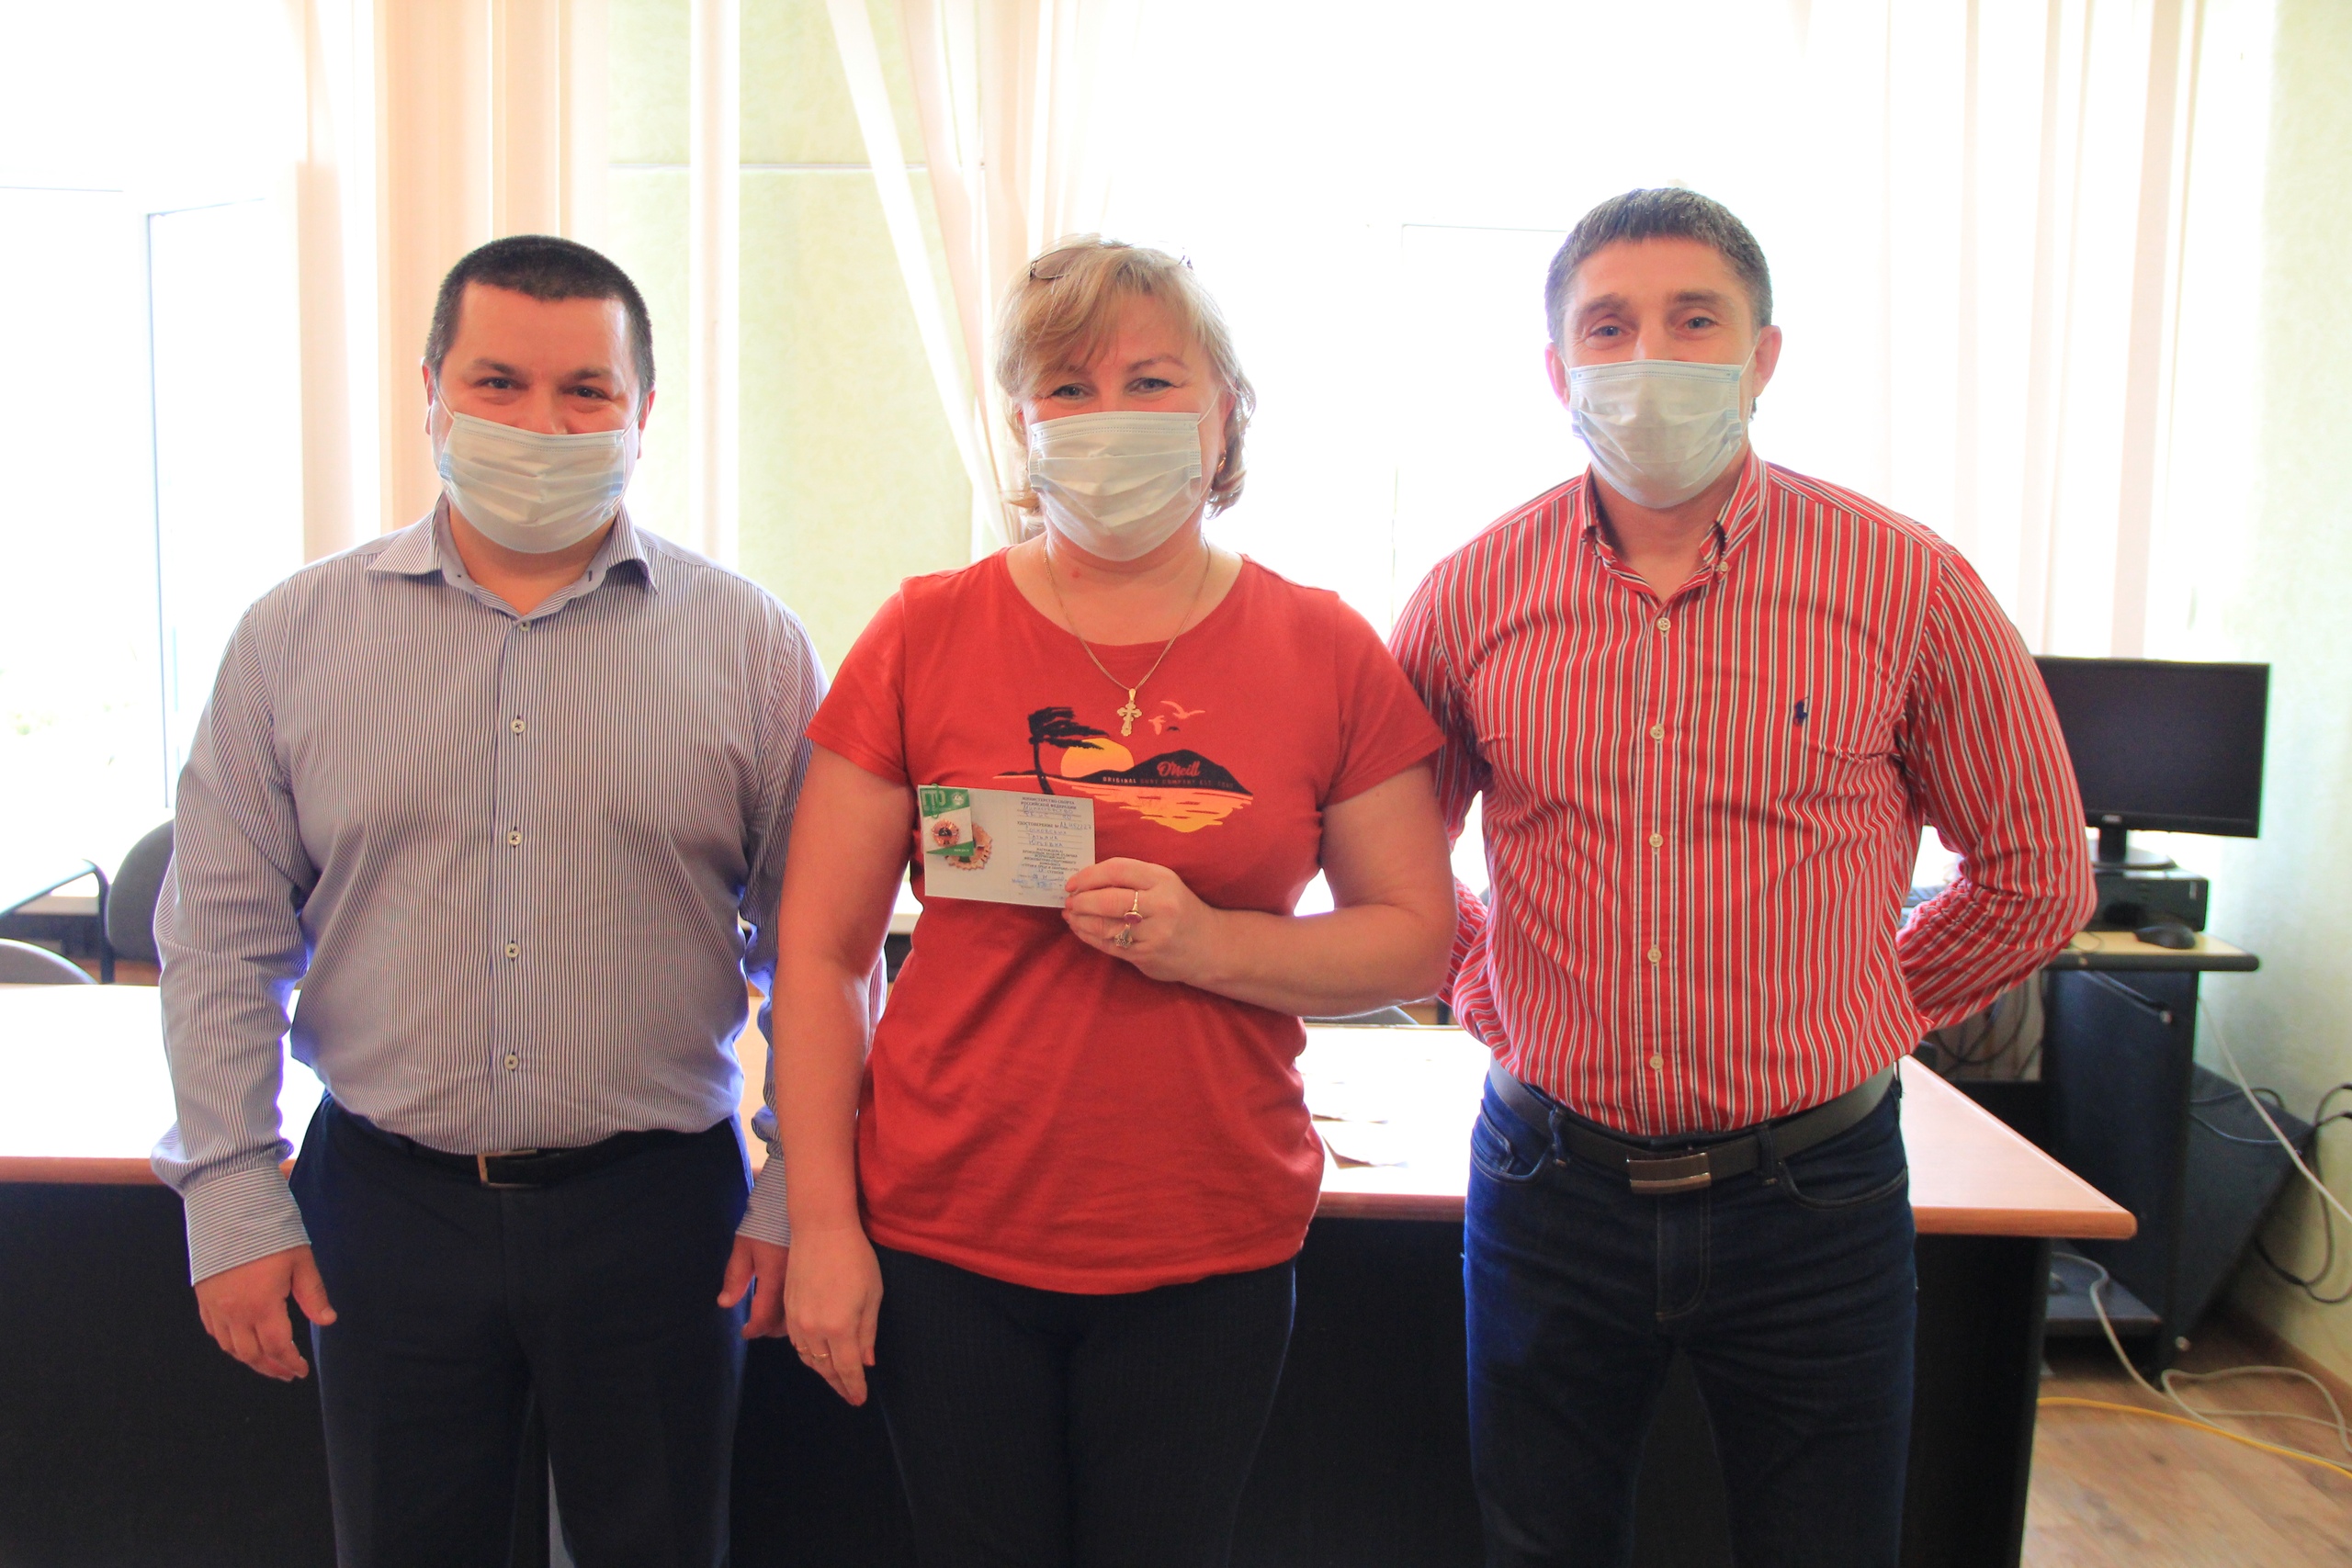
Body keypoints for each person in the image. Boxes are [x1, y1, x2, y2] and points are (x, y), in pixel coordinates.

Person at [1390, 188, 2096, 1568]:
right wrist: (1484, 981)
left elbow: (2034, 875)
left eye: (1694, 319)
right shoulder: (1470, 594)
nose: (1649, 355)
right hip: (1547, 1182)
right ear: (1558, 370)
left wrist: (1868, 1007)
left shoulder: (1908, 585)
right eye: (1609, 326)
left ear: (1763, 355)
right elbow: (1391, 860)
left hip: (1814, 1192)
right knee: (1540, 1546)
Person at [733, 237, 1455, 1564]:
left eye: (1151, 380)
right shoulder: (922, 635)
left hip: (1209, 1242)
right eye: (1067, 387)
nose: (1107, 415)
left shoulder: (1325, 649)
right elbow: (825, 954)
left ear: (1224, 412)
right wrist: (822, 1221)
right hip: (945, 1239)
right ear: (1021, 422)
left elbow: (1416, 939)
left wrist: (1210, 944)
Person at [153, 234, 825, 1568]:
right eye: (499, 383)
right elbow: (220, 935)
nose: (541, 424)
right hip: (384, 1205)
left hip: (661, 1212)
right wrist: (228, 1188)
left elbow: (816, 948)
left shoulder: (750, 645)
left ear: (643, 410)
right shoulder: (293, 638)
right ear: (432, 394)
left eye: (586, 391)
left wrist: (799, 1177)